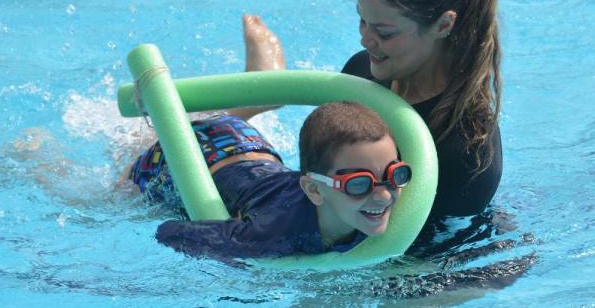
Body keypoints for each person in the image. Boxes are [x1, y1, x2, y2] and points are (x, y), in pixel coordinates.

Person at [244, 0, 502, 220]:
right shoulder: (362, 72)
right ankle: (259, 97)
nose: (366, 40)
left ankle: (259, 93)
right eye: (362, 21)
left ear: (443, 25)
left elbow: (420, 256)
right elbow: (314, 176)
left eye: (384, 32)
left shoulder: (466, 151)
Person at [122, 101, 412, 259]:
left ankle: (250, 100)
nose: (384, 196)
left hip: (245, 140)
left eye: (394, 175)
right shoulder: (273, 233)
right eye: (359, 184)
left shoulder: (392, 208)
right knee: (115, 195)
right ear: (314, 190)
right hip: (187, 159)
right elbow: (171, 232)